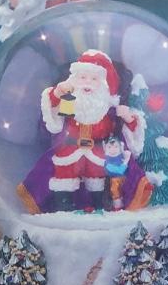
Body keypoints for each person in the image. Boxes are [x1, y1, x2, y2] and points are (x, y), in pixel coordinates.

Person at [17, 50, 152, 214]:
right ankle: (63, 206)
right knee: (63, 177)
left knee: (97, 181)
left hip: (98, 152)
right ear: (74, 79)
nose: (88, 82)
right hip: (69, 150)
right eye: (83, 77)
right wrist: (58, 92)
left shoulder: (108, 108)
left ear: (103, 84)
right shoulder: (70, 101)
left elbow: (129, 131)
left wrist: (128, 118)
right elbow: (52, 112)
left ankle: (98, 205)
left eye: (94, 79)